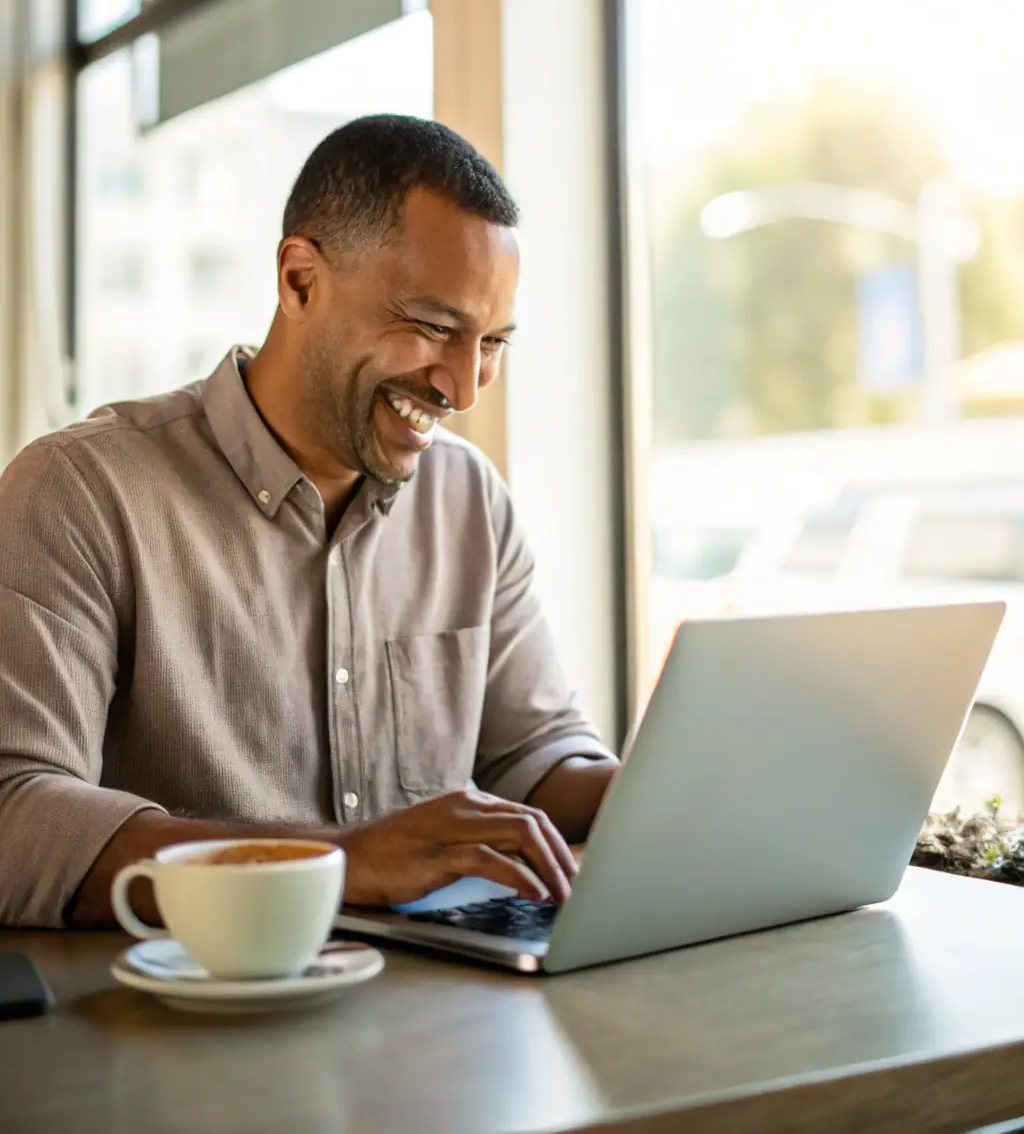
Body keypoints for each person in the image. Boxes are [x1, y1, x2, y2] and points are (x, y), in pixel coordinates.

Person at [0, 115, 618, 928]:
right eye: (434, 326)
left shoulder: (469, 500)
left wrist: (682, 792)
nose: (464, 388)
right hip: (178, 1027)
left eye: (492, 341)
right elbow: (15, 816)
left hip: (436, 1013)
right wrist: (335, 862)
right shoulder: (79, 491)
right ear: (299, 280)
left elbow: (532, 757)